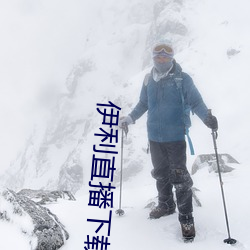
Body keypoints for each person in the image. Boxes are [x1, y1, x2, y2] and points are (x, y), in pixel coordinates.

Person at [119, 39, 218, 242]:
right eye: (158, 54)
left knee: (180, 178)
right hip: (154, 137)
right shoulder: (148, 80)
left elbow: (196, 101)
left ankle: (186, 219)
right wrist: (130, 118)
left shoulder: (182, 79)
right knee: (160, 173)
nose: (162, 57)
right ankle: (165, 204)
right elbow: (143, 103)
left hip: (175, 137)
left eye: (166, 54)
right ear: (153, 57)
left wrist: (207, 119)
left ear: (172, 57)